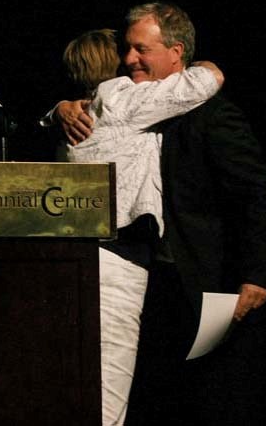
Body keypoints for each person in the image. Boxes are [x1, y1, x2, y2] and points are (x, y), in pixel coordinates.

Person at [51, 1, 266, 425]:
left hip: (213, 285)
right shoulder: (131, 104)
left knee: (219, 401)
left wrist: (257, 274)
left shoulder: (213, 114)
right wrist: (60, 108)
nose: (128, 60)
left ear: (176, 53)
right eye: (127, 49)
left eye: (141, 50)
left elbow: (256, 194)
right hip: (159, 282)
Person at [48, 28, 223, 426]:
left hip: (81, 251)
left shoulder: (82, 110)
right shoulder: (122, 97)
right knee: (110, 377)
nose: (133, 58)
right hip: (115, 256)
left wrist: (56, 107)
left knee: (76, 373)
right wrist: (203, 64)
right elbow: (205, 80)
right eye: (127, 52)